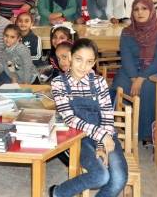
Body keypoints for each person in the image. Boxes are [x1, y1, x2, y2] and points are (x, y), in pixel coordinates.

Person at [49, 38, 128, 197]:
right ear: (70, 57)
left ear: (94, 63)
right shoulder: (58, 83)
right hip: (78, 138)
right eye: (79, 59)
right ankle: (58, 192)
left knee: (119, 179)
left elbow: (107, 115)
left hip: (105, 133)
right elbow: (70, 119)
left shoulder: (99, 82)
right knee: (100, 177)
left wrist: (101, 145)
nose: (83, 66)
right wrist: (102, 137)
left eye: (89, 62)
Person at [111, 0, 157, 142]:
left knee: (148, 88)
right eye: (136, 9)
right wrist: (134, 78)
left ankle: (146, 132)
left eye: (144, 8)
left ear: (151, 11)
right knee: (121, 85)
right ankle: (120, 127)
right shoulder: (127, 31)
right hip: (131, 69)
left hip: (156, 70)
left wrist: (141, 78)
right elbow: (126, 57)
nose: (140, 12)